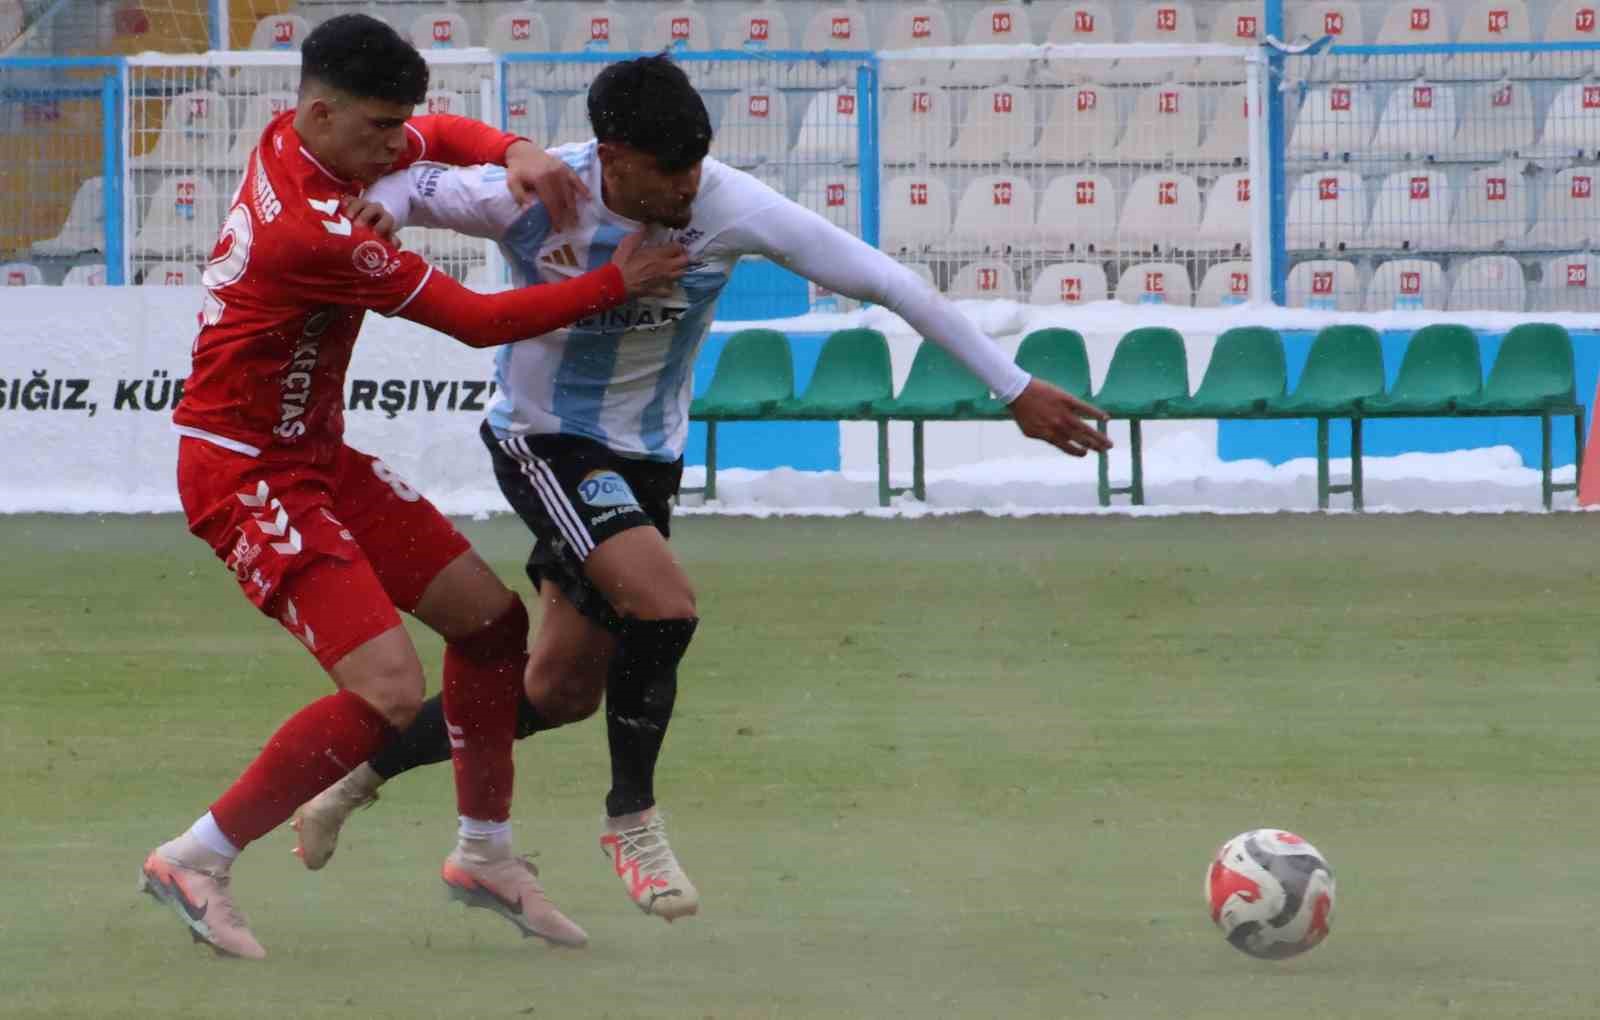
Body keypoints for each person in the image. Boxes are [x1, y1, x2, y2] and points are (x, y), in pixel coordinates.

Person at [291, 53, 1111, 927]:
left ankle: (359, 777)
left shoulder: (726, 205)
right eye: (667, 170)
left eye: (695, 165)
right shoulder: (537, 194)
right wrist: (393, 207)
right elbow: (422, 184)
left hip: (645, 461)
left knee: (556, 692)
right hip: (545, 442)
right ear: (612, 156)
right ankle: (631, 822)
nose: (688, 186)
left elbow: (888, 282)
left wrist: (1013, 387)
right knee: (667, 605)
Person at [138, 16, 687, 959]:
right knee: (389, 689)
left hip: (313, 453)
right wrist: (614, 282)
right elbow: (475, 321)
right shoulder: (312, 232)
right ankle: (198, 857)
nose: (400, 148)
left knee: (491, 623)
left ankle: (485, 853)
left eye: (401, 125)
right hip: (241, 469)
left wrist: (511, 147)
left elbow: (437, 138)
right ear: (323, 113)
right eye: (384, 129)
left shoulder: (311, 139)